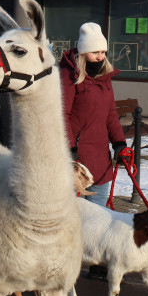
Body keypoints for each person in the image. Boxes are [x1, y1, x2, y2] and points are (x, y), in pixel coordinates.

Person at [60, 22, 128, 205]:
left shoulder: (104, 77)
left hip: (101, 160)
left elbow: (111, 114)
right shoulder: (69, 75)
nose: (100, 57)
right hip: (77, 161)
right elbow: (61, 114)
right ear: (83, 52)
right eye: (95, 52)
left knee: (99, 219)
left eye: (103, 52)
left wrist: (119, 143)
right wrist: (69, 148)